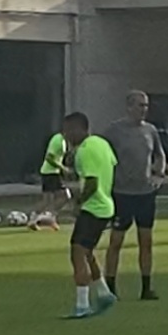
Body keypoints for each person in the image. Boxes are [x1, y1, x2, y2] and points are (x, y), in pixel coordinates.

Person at [101, 90, 167, 300]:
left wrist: (159, 175)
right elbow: (102, 153)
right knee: (116, 241)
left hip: (145, 193)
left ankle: (146, 287)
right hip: (122, 193)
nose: (144, 110)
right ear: (129, 107)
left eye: (146, 105)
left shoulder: (151, 130)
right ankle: (110, 287)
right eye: (140, 105)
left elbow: (160, 155)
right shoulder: (114, 131)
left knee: (146, 240)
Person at [61, 112, 119, 319]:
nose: (65, 135)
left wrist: (78, 203)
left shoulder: (85, 152)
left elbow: (92, 184)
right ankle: (104, 293)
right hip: (106, 206)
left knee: (77, 251)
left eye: (68, 130)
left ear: (79, 129)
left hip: (94, 208)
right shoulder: (102, 144)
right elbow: (110, 166)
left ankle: (82, 304)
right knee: (87, 252)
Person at [39, 130, 70, 225]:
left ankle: (41, 217)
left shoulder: (64, 141)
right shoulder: (57, 140)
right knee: (63, 196)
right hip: (50, 173)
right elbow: (49, 158)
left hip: (53, 173)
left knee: (49, 199)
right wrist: (62, 168)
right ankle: (46, 216)